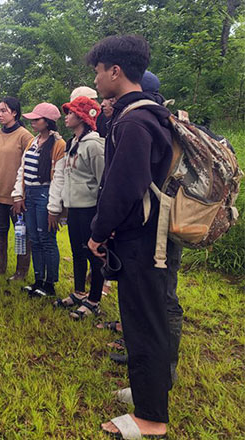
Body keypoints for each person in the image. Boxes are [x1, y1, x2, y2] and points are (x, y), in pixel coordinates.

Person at [87, 35, 175, 438]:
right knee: (142, 320)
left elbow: (123, 186)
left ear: (115, 71)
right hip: (148, 237)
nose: (97, 78)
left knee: (144, 323)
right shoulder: (150, 113)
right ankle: (146, 394)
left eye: (99, 71)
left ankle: (151, 419)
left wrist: (98, 232)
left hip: (143, 242)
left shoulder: (135, 121)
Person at [48, 96, 105, 317]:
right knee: (77, 251)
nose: (67, 116)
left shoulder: (94, 145)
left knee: (93, 253)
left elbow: (103, 181)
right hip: (74, 208)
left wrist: (103, 215)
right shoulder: (73, 143)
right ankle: (79, 292)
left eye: (71, 112)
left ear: (82, 117)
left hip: (90, 208)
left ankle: (94, 299)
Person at [12, 103, 66, 297]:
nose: (33, 122)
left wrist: (54, 209)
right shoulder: (33, 142)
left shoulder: (59, 145)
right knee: (34, 239)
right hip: (31, 194)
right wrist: (18, 194)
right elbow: (22, 170)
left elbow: (59, 180)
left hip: (46, 195)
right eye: (32, 119)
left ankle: (50, 284)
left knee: (47, 239)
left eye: (37, 119)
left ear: (48, 121)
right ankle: (38, 280)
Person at [0, 97, 33, 279]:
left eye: (4, 111)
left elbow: (29, 167)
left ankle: (21, 271)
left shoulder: (25, 136)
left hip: (16, 197)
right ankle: (0, 268)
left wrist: (23, 194)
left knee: (21, 234)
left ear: (15, 113)